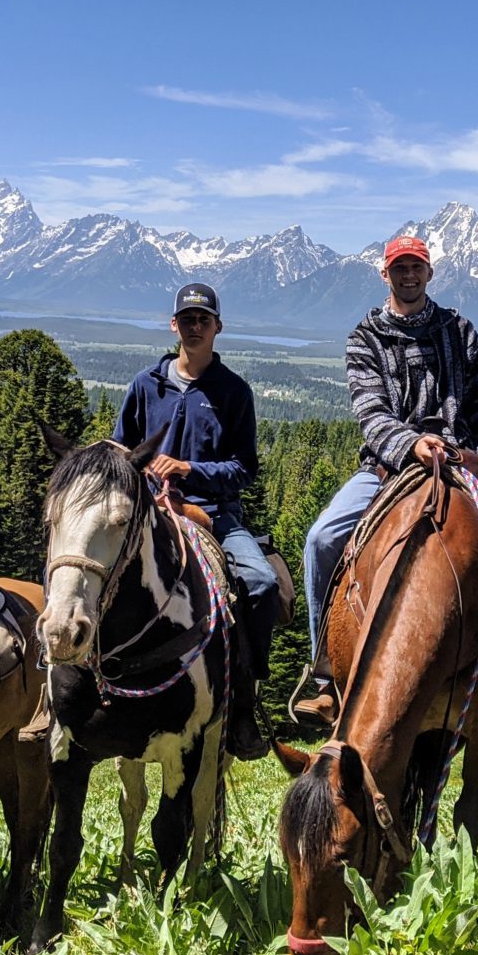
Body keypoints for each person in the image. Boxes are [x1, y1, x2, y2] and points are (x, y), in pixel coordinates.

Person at [295, 234, 478, 734]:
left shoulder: (458, 330)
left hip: (465, 466)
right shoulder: (365, 336)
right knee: (323, 539)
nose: (408, 275)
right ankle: (326, 676)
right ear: (385, 274)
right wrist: (410, 443)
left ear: (430, 272)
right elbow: (370, 412)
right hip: (388, 467)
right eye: (399, 268)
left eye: (416, 267)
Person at [114, 282, 277, 761]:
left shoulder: (232, 392)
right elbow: (122, 453)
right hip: (147, 509)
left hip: (214, 512)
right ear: (174, 325)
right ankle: (73, 684)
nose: (195, 326)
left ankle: (244, 699)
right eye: (187, 319)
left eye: (203, 320)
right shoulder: (145, 385)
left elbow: (245, 467)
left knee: (262, 583)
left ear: (217, 328)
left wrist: (190, 470)